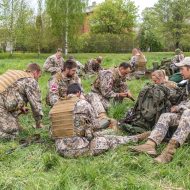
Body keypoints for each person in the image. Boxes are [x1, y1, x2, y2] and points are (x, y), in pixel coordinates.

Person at [53, 83, 150, 158]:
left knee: (95, 134)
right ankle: (135, 138)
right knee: (109, 140)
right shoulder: (83, 103)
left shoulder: (56, 106)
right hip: (79, 149)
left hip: (60, 149)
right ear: (78, 93)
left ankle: (126, 136)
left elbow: (52, 132)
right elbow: (96, 125)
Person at [129, 57, 190, 163]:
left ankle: (168, 153)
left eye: (182, 69)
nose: (180, 72)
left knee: (187, 112)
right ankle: (150, 145)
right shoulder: (188, 83)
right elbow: (186, 100)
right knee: (166, 115)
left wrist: (179, 107)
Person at [0, 63, 44, 139]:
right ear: (36, 72)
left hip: (3, 101)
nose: (38, 79)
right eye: (39, 76)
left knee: (14, 127)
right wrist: (38, 123)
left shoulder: (18, 74)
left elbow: (11, 93)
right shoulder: (31, 81)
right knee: (13, 131)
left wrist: (21, 108)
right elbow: (36, 106)